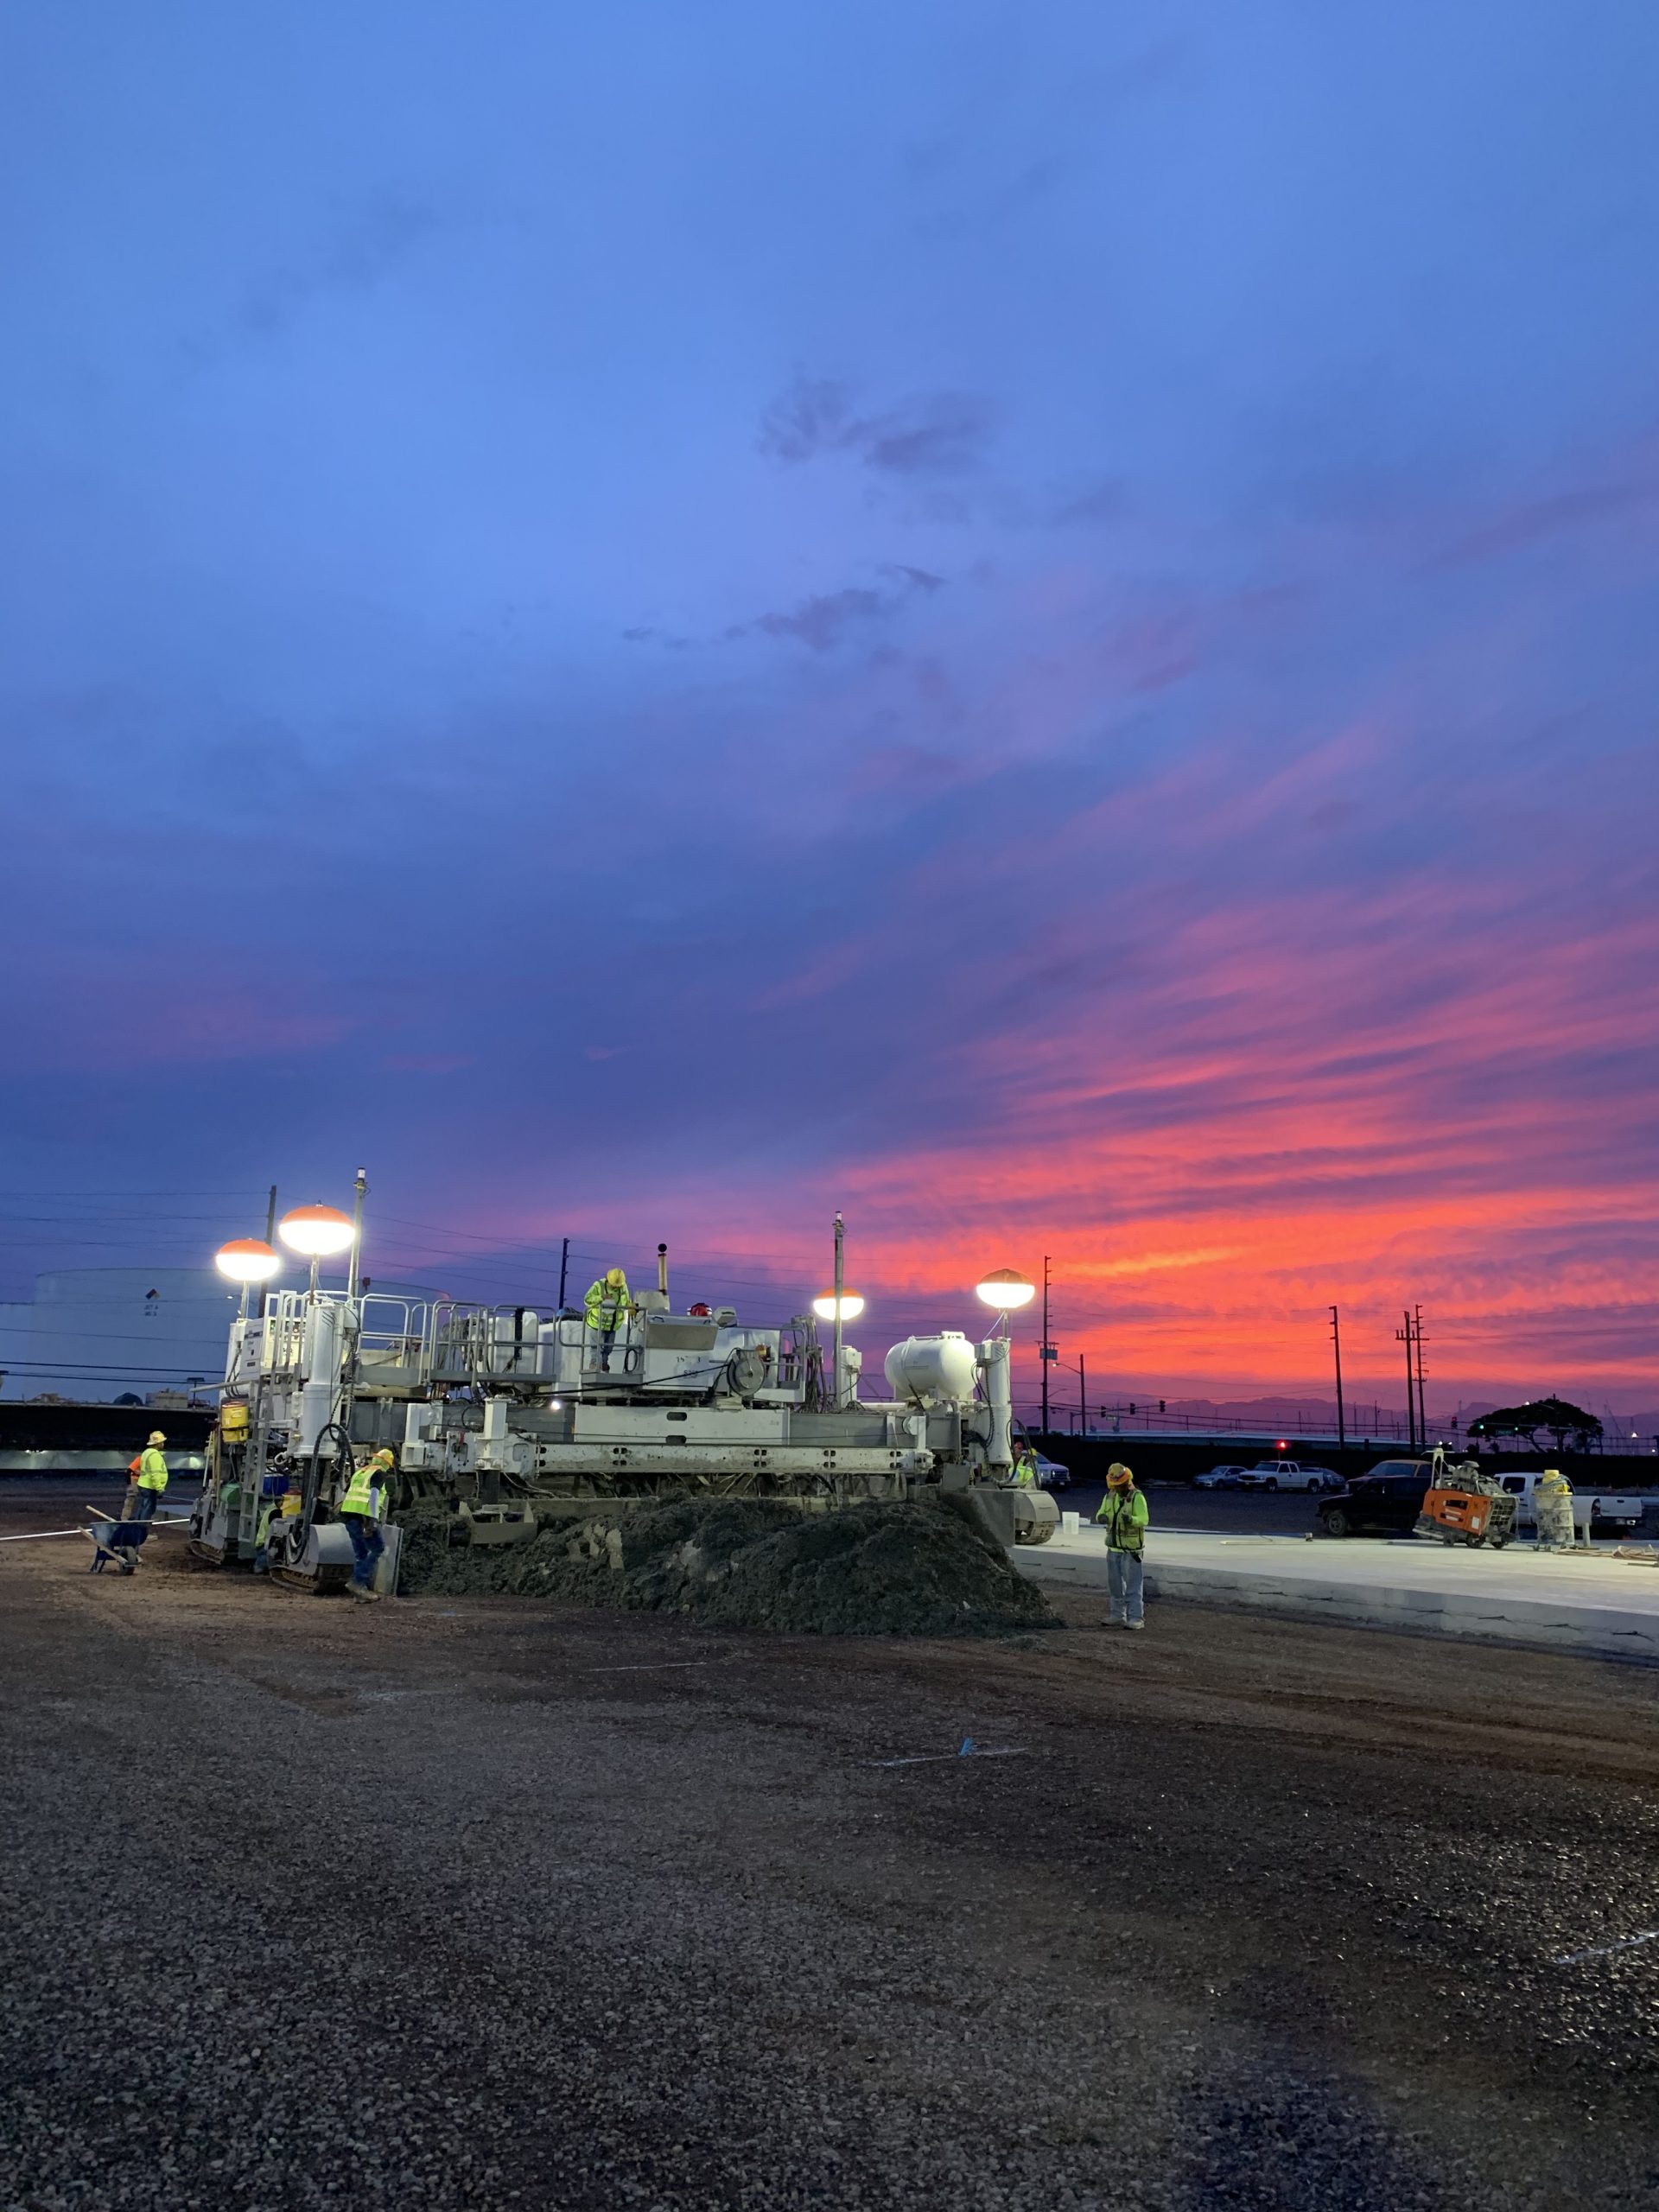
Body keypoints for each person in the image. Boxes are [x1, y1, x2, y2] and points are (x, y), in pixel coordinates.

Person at [1094, 1460, 1149, 1630]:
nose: (1118, 1488)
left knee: (1133, 1586)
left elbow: (1144, 1519)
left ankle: (1136, 1618)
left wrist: (1132, 1520)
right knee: (1115, 1586)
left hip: (1131, 1551)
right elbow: (1100, 1513)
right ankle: (1117, 1615)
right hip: (1113, 1549)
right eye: (1115, 1485)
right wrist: (1100, 1517)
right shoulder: (1109, 1497)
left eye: (1121, 1484)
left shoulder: (1137, 1497)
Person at [338, 1446, 396, 1602]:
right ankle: (357, 1583)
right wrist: (372, 1520)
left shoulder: (360, 1472)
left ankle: (360, 1593)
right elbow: (375, 1494)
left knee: (361, 1553)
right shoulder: (379, 1474)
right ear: (386, 1463)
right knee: (378, 1548)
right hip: (363, 1517)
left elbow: (345, 1493)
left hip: (348, 1516)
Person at [583, 1267, 632, 1371]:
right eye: (613, 1285)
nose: (615, 1287)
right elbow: (587, 1300)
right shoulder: (599, 1285)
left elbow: (625, 1303)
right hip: (597, 1323)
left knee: (608, 1349)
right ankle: (595, 1366)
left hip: (612, 1325)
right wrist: (601, 1297)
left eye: (616, 1286)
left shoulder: (623, 1288)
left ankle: (604, 1366)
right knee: (596, 1348)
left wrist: (630, 1307)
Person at [123, 1431, 169, 1525]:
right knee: (148, 1510)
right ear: (158, 1443)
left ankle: (137, 1528)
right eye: (162, 1442)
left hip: (144, 1484)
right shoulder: (154, 1455)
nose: (163, 1444)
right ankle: (143, 1531)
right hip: (150, 1486)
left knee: (143, 1507)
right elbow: (155, 1473)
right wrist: (159, 1488)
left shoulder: (146, 1453)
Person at [1535, 1467, 1575, 1552]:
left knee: (1552, 1522)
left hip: (1549, 1508)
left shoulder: (1544, 1489)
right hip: (1551, 1508)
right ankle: (1561, 1541)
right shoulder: (1557, 1485)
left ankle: (1550, 1541)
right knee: (1556, 1522)